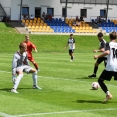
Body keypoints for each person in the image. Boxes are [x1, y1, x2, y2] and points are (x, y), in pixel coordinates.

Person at [94, 32, 117, 102]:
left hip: (110, 67)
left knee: (100, 81)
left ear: (110, 37)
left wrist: (97, 56)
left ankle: (108, 94)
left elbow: (107, 52)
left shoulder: (108, 44)